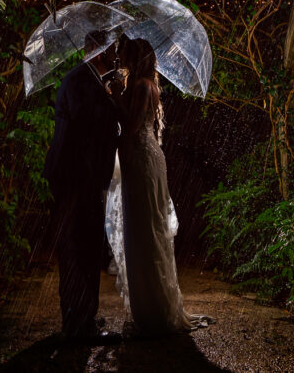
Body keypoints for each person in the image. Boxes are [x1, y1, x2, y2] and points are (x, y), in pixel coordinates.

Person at [107, 37, 213, 336]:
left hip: (143, 161)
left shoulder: (141, 86)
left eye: (123, 54)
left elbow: (131, 125)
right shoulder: (141, 85)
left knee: (146, 233)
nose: (119, 60)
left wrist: (115, 96)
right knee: (144, 231)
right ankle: (151, 306)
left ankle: (155, 311)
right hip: (141, 159)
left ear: (135, 57)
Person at [43, 30, 124, 340]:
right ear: (99, 51)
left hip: (76, 178)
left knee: (81, 248)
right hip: (77, 179)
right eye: (113, 49)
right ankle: (79, 324)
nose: (116, 56)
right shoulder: (81, 81)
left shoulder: (85, 80)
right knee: (79, 249)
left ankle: (81, 319)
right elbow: (93, 128)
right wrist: (114, 102)